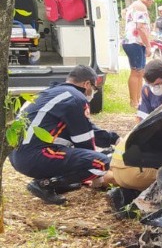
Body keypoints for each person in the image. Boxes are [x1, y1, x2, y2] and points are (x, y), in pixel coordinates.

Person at [9, 65, 118, 205]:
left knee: (87, 157)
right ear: (87, 84)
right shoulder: (77, 98)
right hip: (35, 155)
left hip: (17, 155)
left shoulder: (55, 93)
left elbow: (85, 128)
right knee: (102, 162)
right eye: (94, 88)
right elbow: (84, 140)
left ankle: (57, 183)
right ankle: (45, 184)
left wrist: (113, 139)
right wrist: (98, 174)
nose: (93, 92)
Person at [106, 60, 162, 217]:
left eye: (157, 84)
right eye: (150, 84)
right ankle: (138, 205)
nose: (154, 88)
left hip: (160, 147)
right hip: (152, 149)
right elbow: (140, 121)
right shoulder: (147, 91)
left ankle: (126, 194)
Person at [123, 0, 155, 108]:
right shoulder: (140, 6)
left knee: (140, 72)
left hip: (136, 42)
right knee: (136, 71)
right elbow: (140, 27)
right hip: (134, 42)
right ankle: (134, 101)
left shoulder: (135, 6)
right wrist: (148, 45)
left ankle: (138, 99)